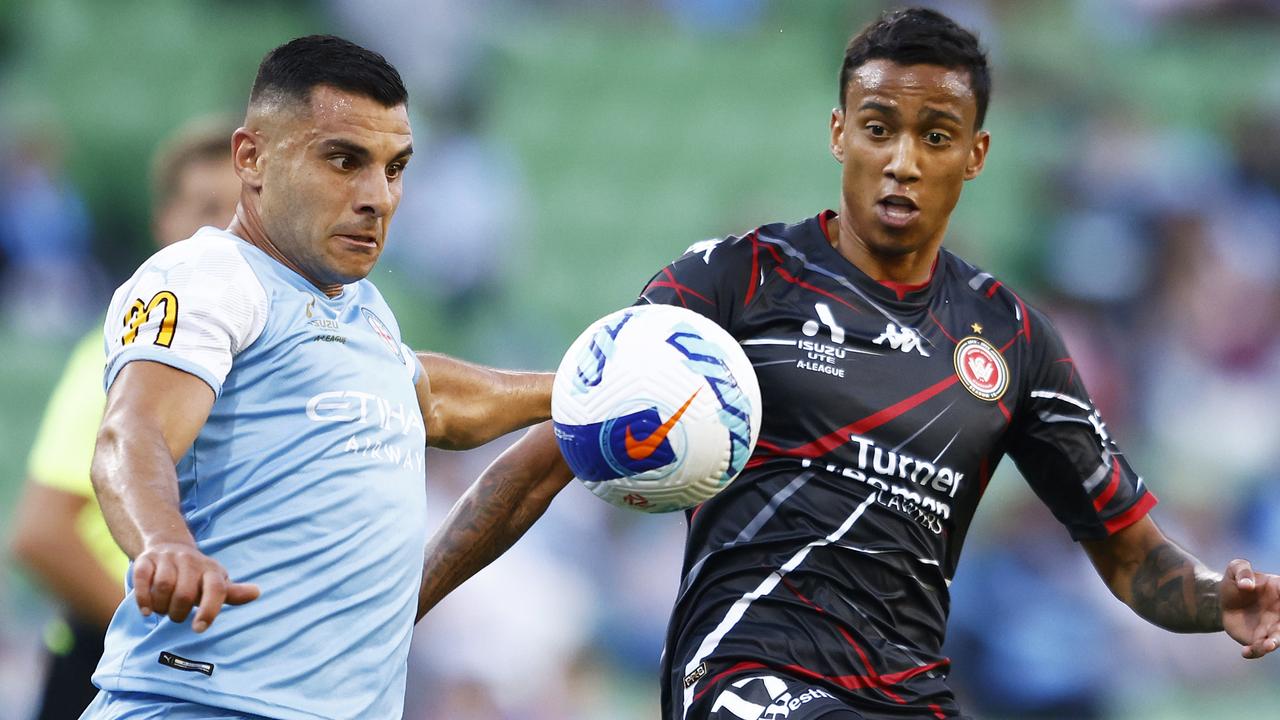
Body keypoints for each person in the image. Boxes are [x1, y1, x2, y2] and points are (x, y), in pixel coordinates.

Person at [415, 8, 1280, 720]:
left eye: (935, 134)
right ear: (839, 134)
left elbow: (1134, 560)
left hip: (911, 699)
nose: (902, 160)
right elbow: (553, 451)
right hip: (743, 680)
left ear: (975, 154)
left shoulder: (1012, 341)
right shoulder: (737, 279)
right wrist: (400, 606)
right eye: (878, 128)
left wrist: (1216, 599)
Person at [81, 35, 551, 719]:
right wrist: (166, 545)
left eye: (395, 169)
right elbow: (131, 434)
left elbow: (435, 400)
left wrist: (572, 389)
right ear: (252, 158)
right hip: (203, 704)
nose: (378, 197)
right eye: (343, 160)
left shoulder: (357, 306)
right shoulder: (212, 276)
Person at [8, 116, 239, 720]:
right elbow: (41, 534)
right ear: (164, 222)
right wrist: (170, 645)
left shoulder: (249, 359)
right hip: (114, 662)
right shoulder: (126, 357)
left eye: (240, 211)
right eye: (204, 206)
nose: (221, 232)